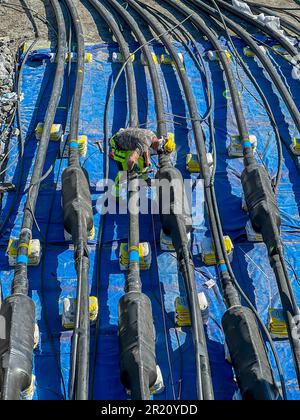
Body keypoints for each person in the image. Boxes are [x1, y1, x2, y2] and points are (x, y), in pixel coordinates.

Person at [110, 127, 175, 172]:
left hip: (126, 138)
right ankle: (114, 154)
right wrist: (130, 171)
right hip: (117, 143)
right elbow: (131, 160)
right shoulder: (144, 144)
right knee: (124, 169)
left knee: (141, 158)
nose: (158, 153)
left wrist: (147, 160)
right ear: (160, 148)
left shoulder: (152, 135)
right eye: (160, 152)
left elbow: (145, 147)